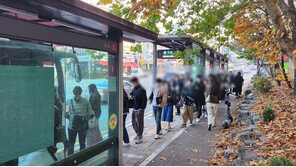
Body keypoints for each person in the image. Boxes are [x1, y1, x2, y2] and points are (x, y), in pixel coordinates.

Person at [67, 86, 94, 155]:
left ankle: (70, 160)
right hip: (83, 125)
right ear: (81, 92)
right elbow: (91, 113)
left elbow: (65, 114)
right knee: (82, 143)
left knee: (71, 143)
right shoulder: (86, 101)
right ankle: (82, 158)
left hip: (72, 126)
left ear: (73, 92)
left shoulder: (68, 101)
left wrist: (72, 118)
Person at [130, 77, 147, 144]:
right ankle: (138, 133)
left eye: (134, 83)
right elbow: (132, 93)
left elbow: (144, 100)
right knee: (133, 122)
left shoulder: (142, 89)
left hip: (140, 109)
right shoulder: (134, 88)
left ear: (137, 82)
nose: (133, 84)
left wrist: (142, 108)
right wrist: (131, 95)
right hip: (134, 107)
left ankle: (140, 136)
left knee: (139, 123)